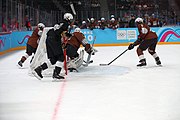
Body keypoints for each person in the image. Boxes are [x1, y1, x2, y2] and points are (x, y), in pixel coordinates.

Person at [32, 13, 73, 80]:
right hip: (54, 40)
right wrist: (69, 36)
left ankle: (39, 69)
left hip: (48, 39)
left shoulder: (59, 22)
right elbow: (62, 33)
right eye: (70, 19)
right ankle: (56, 73)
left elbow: (58, 31)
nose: (71, 21)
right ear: (68, 18)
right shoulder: (66, 24)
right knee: (61, 57)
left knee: (53, 60)